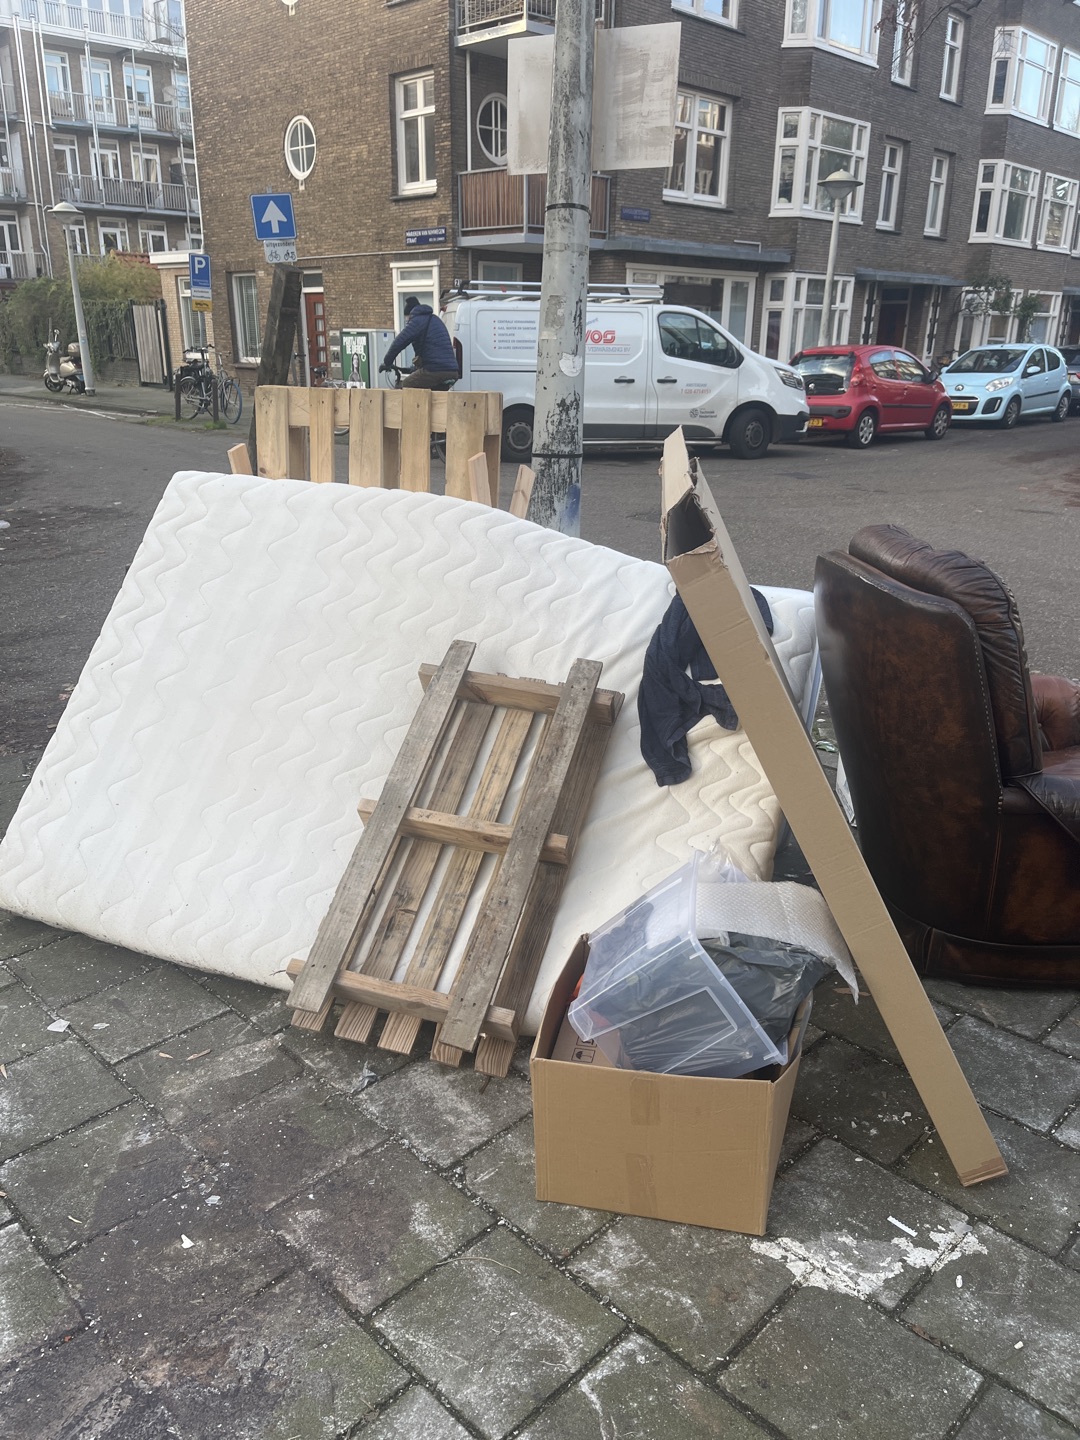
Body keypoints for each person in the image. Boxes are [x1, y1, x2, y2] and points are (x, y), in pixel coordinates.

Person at [380, 296, 459, 389]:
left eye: (406, 317)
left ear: (409, 314)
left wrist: (387, 362)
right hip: (451, 370)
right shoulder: (434, 319)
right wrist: (411, 369)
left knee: (406, 385)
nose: (406, 320)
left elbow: (399, 342)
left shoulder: (417, 321)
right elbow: (434, 352)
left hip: (435, 370)